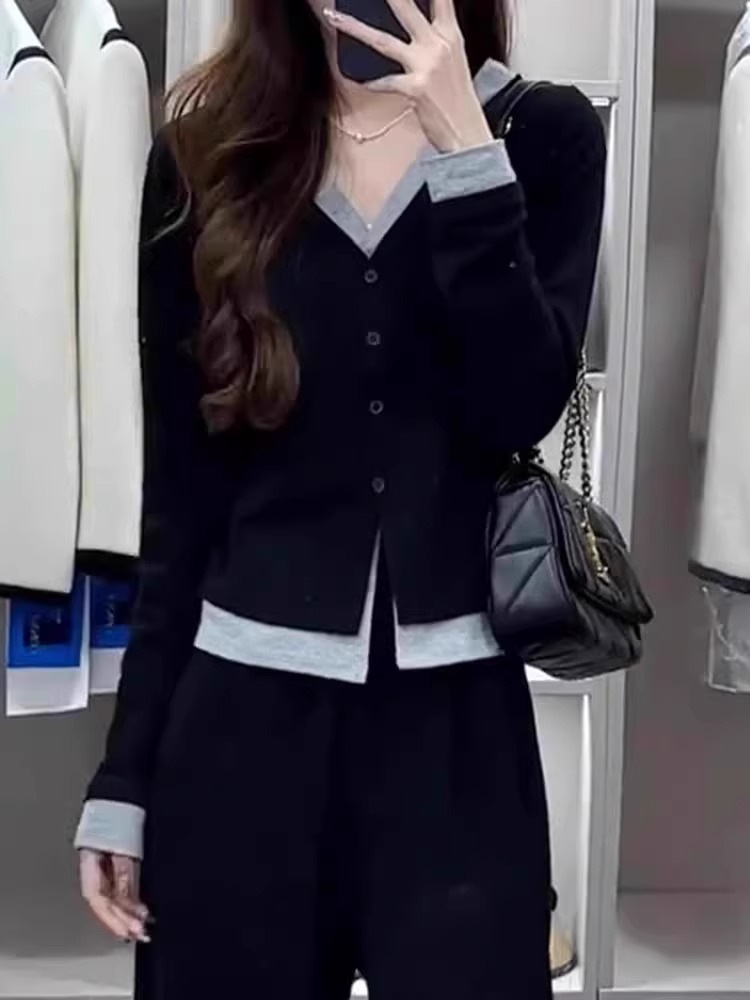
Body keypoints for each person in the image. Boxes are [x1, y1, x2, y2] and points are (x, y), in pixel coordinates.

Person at [75, 1, 606, 997]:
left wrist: (467, 153)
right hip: (237, 730)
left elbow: (518, 406)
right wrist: (125, 774)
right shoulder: (205, 154)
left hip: (459, 740)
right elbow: (181, 500)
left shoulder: (544, 136)